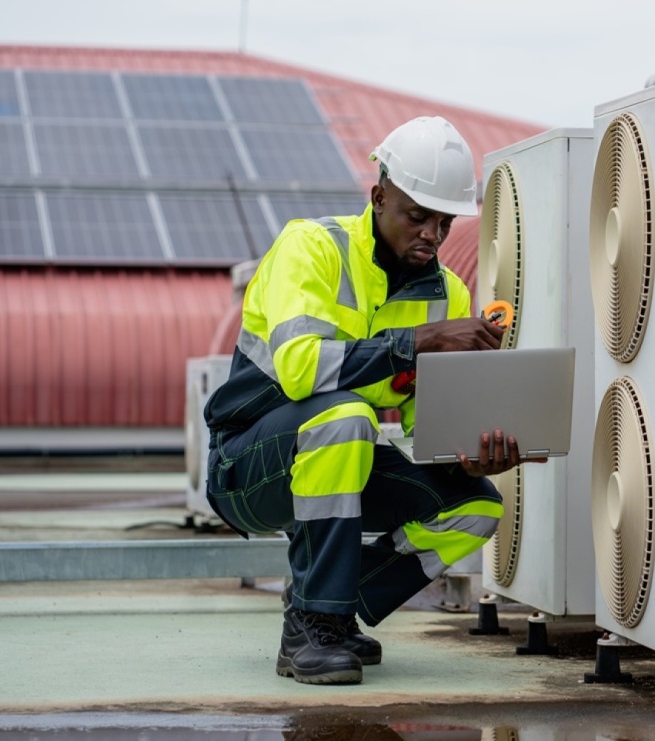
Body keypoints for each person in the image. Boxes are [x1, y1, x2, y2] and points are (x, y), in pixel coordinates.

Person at [203, 116, 531, 686]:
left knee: (476, 506)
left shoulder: (446, 294)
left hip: (338, 457)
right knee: (346, 414)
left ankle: (328, 604)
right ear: (378, 198)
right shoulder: (310, 249)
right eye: (416, 215)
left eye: (444, 221)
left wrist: (465, 456)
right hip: (247, 466)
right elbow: (303, 371)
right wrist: (419, 342)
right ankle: (313, 620)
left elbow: (421, 426)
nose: (432, 234)